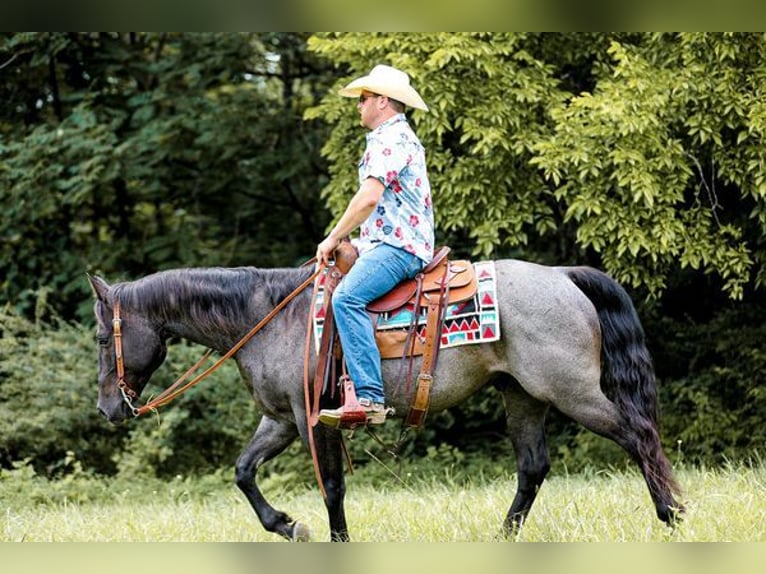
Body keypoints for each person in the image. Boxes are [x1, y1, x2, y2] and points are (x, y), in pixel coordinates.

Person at [317, 64, 434, 427]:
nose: (359, 105)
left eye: (364, 99)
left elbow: (369, 198)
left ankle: (369, 398)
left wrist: (334, 236)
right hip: (388, 243)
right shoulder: (392, 138)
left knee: (346, 298)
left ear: (383, 101)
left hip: (399, 247)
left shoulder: (391, 139)